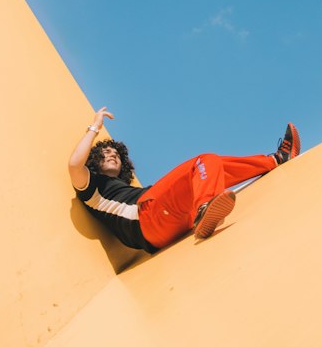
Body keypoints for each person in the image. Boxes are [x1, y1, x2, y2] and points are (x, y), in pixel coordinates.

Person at [68, 107, 301, 252]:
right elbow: (74, 164)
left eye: (116, 154)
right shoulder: (92, 186)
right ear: (95, 159)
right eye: (105, 153)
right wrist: (95, 127)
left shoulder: (123, 189)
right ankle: (205, 207)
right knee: (203, 161)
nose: (112, 155)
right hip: (147, 218)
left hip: (170, 223)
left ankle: (276, 159)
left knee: (212, 167)